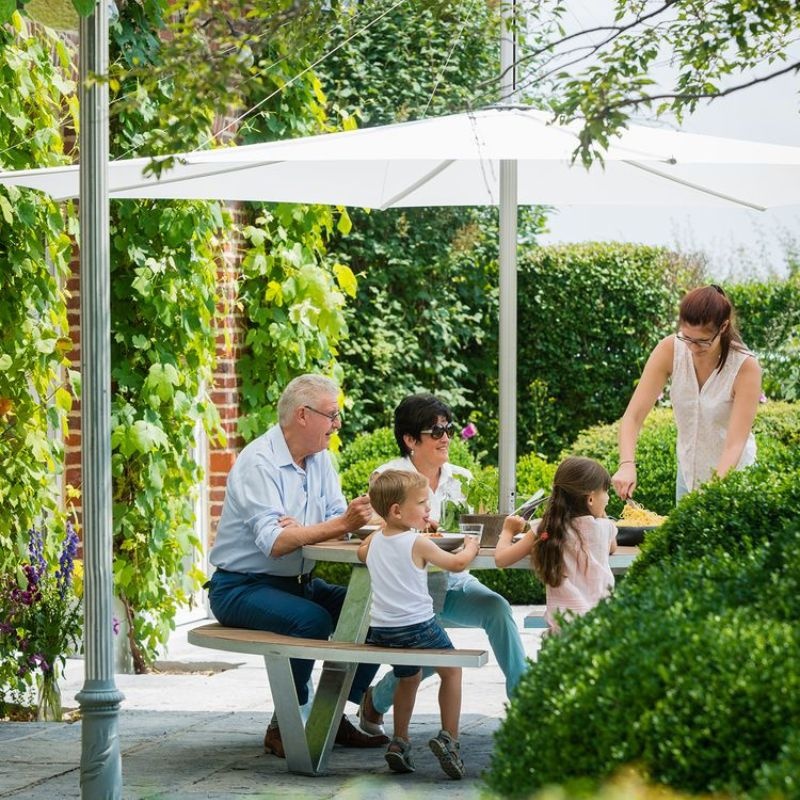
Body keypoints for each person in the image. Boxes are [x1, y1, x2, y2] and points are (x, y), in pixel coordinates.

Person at [206, 374, 389, 757]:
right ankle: (282, 726)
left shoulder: (320, 461)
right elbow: (276, 542)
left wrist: (393, 523)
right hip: (240, 587)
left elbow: (337, 523)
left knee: (377, 612)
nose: (337, 424)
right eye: (332, 415)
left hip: (297, 582)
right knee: (312, 621)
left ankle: (331, 714)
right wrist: (330, 527)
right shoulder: (259, 463)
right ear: (303, 416)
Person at [357, 394, 528, 737]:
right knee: (433, 651)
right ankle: (376, 699)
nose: (446, 437)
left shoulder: (459, 478)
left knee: (498, 609)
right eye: (435, 430)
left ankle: (526, 708)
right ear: (410, 439)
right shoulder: (389, 478)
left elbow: (466, 530)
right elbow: (376, 529)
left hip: (453, 579)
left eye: (448, 428)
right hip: (413, 590)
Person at [357, 469, 480, 779]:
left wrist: (384, 529)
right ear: (397, 510)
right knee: (451, 671)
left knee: (408, 677)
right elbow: (457, 564)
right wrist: (471, 547)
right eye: (423, 503)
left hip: (383, 631)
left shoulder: (374, 541)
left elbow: (361, 552)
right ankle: (449, 740)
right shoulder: (417, 543)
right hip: (418, 627)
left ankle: (399, 743)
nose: (428, 509)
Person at [612, 284, 762, 503]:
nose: (692, 347)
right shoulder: (670, 349)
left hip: (733, 478)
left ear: (723, 327)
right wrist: (626, 465)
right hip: (687, 474)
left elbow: (735, 444)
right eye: (686, 337)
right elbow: (633, 417)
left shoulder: (745, 367)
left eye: (702, 341)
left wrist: (712, 493)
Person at [495, 456, 617, 631]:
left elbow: (501, 559)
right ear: (590, 498)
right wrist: (600, 513)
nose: (608, 498)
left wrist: (507, 531)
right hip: (602, 625)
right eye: (606, 491)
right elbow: (612, 547)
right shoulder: (604, 529)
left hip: (563, 629)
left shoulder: (545, 529)